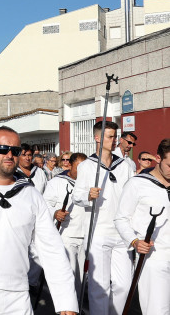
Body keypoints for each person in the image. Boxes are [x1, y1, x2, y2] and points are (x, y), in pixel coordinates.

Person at [0, 126, 78, 315]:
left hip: (18, 295)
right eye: (2, 149)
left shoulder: (32, 195)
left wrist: (66, 301)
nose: (9, 154)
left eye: (15, 151)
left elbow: (51, 249)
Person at [72, 121, 135, 315]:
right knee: (99, 288)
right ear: (97, 138)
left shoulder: (125, 165)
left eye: (116, 136)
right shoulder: (86, 166)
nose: (114, 140)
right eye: (110, 136)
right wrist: (87, 195)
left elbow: (133, 195)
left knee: (124, 284)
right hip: (98, 232)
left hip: (122, 232)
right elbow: (76, 196)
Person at [114, 138, 170, 315]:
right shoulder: (137, 184)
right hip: (154, 258)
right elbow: (121, 219)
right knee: (157, 311)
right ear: (158, 158)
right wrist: (134, 241)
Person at [43, 152, 88, 295]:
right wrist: (55, 213)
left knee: (82, 276)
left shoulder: (91, 183)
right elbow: (45, 205)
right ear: (70, 165)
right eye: (78, 168)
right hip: (67, 235)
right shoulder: (56, 182)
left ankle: (78, 304)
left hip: (86, 234)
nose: (81, 172)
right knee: (70, 273)